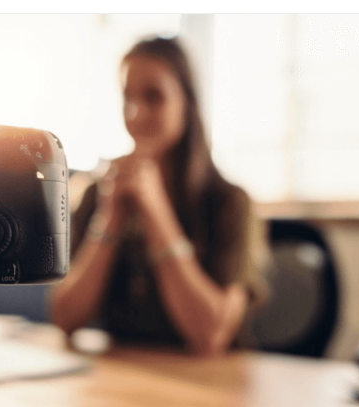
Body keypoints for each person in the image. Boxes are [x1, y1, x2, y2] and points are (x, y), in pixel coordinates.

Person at [50, 37, 268, 356]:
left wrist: (157, 212)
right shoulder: (102, 193)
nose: (136, 113)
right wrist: (109, 220)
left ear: (187, 103)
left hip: (209, 385)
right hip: (126, 380)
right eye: (128, 98)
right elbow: (65, 318)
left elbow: (210, 336)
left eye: (154, 96)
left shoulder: (229, 202)